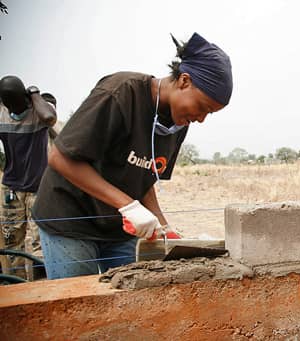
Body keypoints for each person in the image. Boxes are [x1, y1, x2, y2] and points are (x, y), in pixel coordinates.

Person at [32, 32, 233, 279]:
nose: (201, 118)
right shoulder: (120, 93)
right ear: (184, 81)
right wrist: (127, 205)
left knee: (129, 297)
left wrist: (163, 226)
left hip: (119, 227)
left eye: (209, 114)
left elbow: (144, 175)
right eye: (202, 107)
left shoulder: (178, 122)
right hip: (71, 219)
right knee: (79, 302)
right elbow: (60, 158)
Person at [0, 76, 57, 279]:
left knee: (40, 240)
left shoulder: (40, 109)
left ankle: (41, 286)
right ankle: (15, 283)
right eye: (9, 105)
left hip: (39, 186)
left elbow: (50, 118)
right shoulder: (2, 114)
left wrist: (34, 94)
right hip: (11, 188)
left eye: (17, 103)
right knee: (11, 239)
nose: (14, 110)